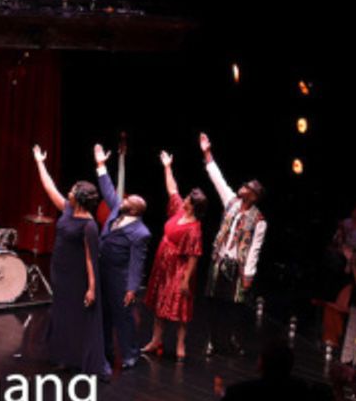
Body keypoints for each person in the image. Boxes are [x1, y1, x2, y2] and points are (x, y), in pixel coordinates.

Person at [32, 144, 109, 377]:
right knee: (62, 313)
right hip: (59, 271)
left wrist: (92, 288)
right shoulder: (67, 210)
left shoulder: (89, 225)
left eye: (74, 190)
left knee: (75, 317)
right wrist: (39, 162)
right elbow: (49, 187)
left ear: (81, 198)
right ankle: (62, 355)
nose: (70, 191)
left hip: (76, 277)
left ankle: (75, 357)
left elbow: (90, 259)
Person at [199, 132, 267, 357]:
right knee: (213, 302)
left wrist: (248, 276)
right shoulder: (231, 202)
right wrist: (207, 153)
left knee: (232, 306)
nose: (242, 187)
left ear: (254, 196)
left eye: (247, 187)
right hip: (220, 260)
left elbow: (254, 250)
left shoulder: (259, 220)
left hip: (236, 266)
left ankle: (229, 340)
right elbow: (218, 180)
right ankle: (210, 339)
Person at [141, 151, 206, 361]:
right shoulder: (179, 211)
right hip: (163, 266)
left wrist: (186, 280)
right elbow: (172, 189)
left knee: (180, 307)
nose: (184, 199)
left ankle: (180, 344)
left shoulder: (195, 228)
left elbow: (194, 256)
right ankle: (155, 340)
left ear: (193, 205)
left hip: (179, 269)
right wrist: (167, 166)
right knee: (160, 304)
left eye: (188, 199)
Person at [92, 143, 152, 369]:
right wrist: (101, 165)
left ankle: (130, 354)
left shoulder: (141, 233)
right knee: (104, 314)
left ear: (135, 211)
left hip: (120, 276)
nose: (123, 200)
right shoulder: (117, 209)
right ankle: (106, 351)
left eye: (128, 201)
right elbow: (108, 189)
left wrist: (132, 289)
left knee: (123, 317)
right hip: (103, 270)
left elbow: (137, 263)